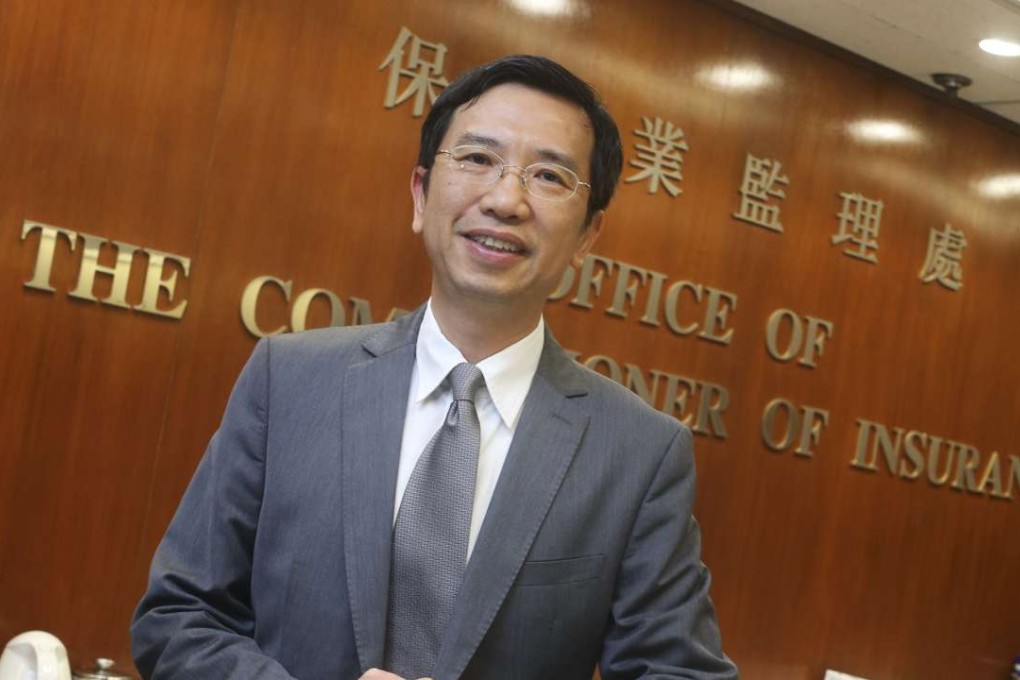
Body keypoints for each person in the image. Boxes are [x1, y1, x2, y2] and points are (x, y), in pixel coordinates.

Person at [131, 54, 739, 680]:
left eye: (550, 177)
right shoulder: (288, 380)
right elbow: (179, 615)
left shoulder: (638, 453)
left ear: (588, 236)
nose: (506, 200)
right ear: (420, 194)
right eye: (477, 159)